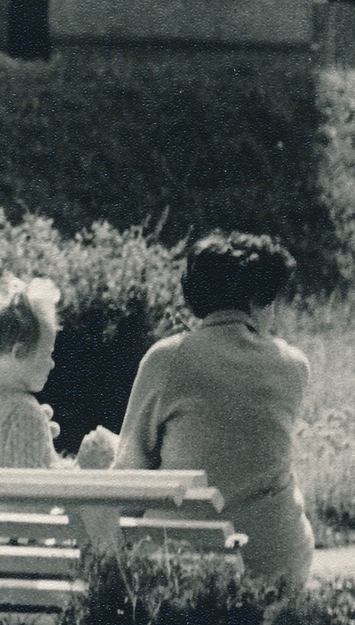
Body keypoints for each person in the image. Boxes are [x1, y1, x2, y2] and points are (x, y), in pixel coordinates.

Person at [105, 230, 315, 587]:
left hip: (182, 559)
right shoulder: (293, 366)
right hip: (277, 558)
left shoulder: (167, 359)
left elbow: (130, 473)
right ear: (257, 299)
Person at [0, 277, 63, 469]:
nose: (51, 364)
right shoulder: (26, 411)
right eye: (47, 354)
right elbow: (37, 491)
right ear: (19, 352)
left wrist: (44, 445)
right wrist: (85, 466)